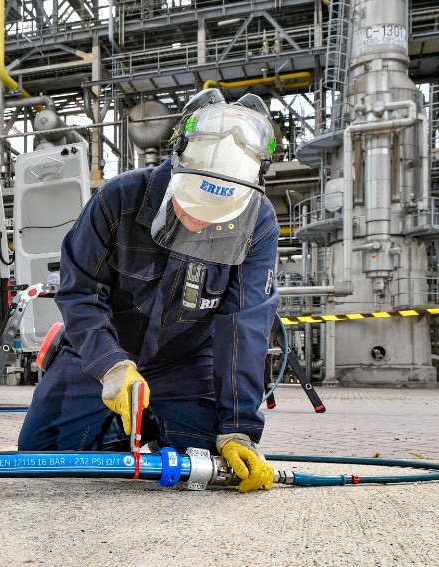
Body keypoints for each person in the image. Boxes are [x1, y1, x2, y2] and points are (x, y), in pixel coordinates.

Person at [17, 89, 279, 493]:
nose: (196, 224)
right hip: (102, 350)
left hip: (186, 359)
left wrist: (239, 428)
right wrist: (111, 365)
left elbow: (243, 324)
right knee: (40, 455)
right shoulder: (118, 200)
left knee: (210, 463)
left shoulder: (258, 221)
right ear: (176, 168)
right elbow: (79, 293)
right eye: (190, 207)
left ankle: (154, 430)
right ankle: (126, 436)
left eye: (211, 219)